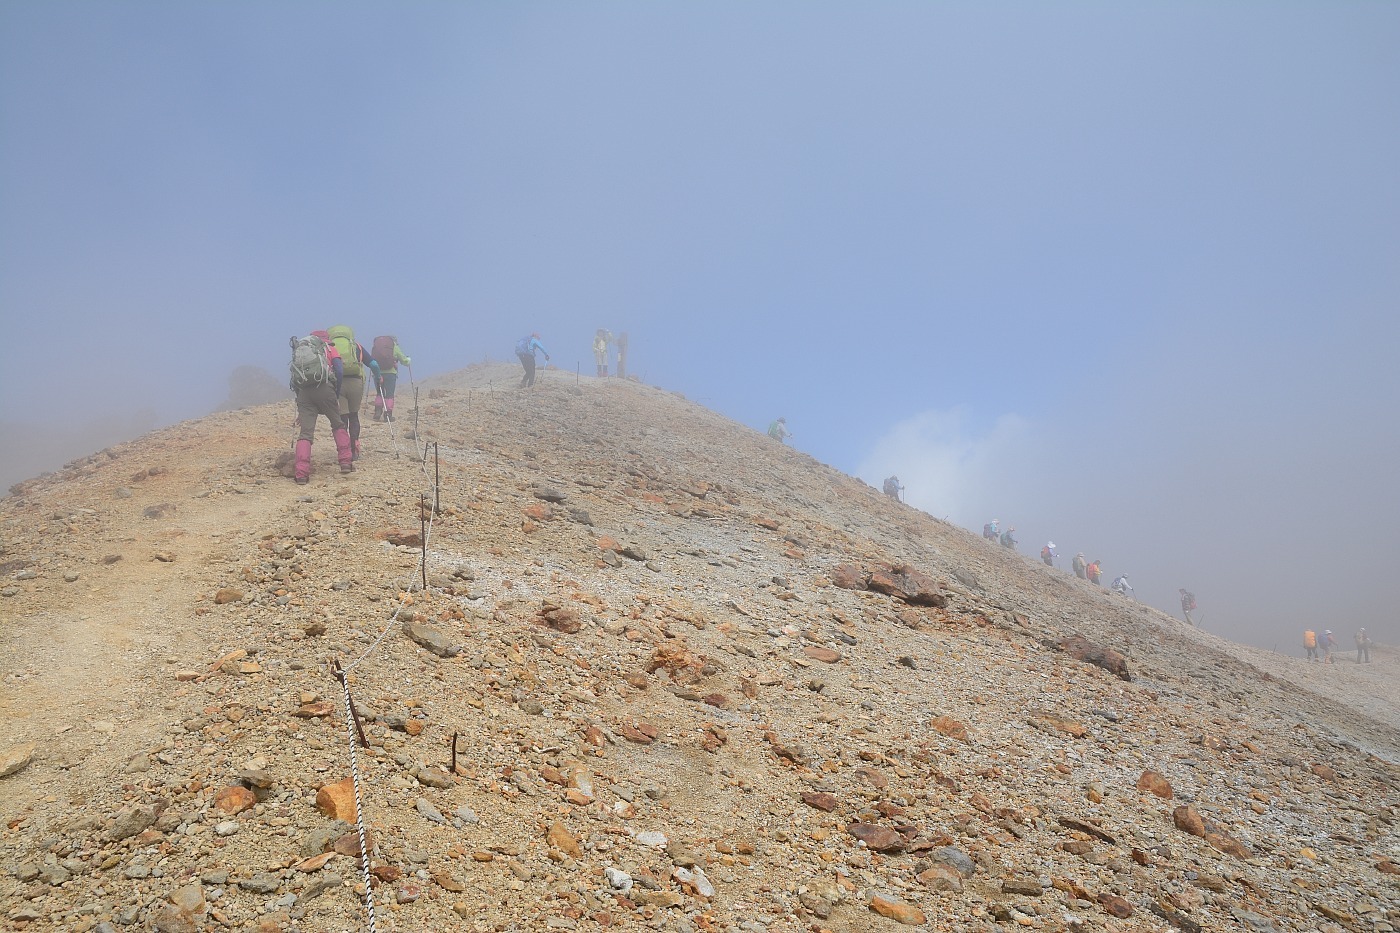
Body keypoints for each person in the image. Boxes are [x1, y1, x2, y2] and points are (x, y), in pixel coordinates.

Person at [288, 333, 353, 483]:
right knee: (337, 423)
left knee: (305, 433)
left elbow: (295, 378)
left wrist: (300, 403)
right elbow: (339, 369)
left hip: (304, 392)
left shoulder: (302, 349)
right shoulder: (328, 348)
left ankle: (301, 474)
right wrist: (335, 394)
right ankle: (345, 463)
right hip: (324, 388)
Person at [326, 326, 379, 461]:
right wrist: (378, 376)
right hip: (356, 383)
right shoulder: (356, 346)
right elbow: (373, 364)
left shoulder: (329, 347)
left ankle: (344, 451)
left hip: (338, 384)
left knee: (342, 418)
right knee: (354, 416)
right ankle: (354, 450)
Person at [370, 335, 411, 422]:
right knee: (389, 394)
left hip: (377, 373)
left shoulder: (377, 347)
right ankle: (388, 414)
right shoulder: (394, 347)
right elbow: (404, 360)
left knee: (379, 393)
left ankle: (377, 411)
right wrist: (408, 360)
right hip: (390, 374)